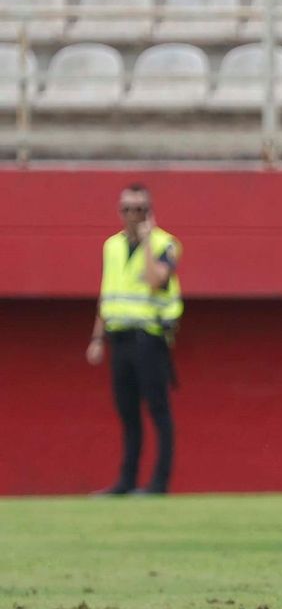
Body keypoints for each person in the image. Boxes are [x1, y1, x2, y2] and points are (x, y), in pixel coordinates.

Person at [86, 184, 182, 496]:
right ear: (119, 212)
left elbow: (157, 281)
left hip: (149, 337)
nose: (132, 215)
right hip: (120, 338)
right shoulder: (111, 246)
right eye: (127, 209)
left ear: (150, 212)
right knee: (126, 411)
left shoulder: (165, 244)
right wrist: (97, 337)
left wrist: (147, 243)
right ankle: (126, 480)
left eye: (139, 209)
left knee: (158, 409)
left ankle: (159, 482)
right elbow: (106, 292)